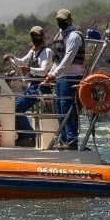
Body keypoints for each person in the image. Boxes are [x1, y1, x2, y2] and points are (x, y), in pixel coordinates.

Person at [41, 9, 86, 149]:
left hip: (71, 78)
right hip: (61, 78)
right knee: (60, 108)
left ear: (69, 20)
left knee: (69, 109)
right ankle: (64, 140)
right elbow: (57, 60)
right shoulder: (59, 36)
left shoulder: (74, 37)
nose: (60, 22)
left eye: (63, 20)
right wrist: (52, 74)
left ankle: (72, 141)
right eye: (58, 20)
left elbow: (67, 60)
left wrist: (54, 74)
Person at [4, 26, 54, 146]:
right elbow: (22, 61)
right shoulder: (33, 51)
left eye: (37, 35)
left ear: (42, 36)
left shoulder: (46, 51)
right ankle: (26, 135)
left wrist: (29, 68)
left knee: (16, 108)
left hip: (41, 86)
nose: (35, 38)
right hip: (32, 86)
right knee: (12, 106)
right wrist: (12, 58)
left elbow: (43, 71)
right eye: (33, 36)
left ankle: (28, 136)